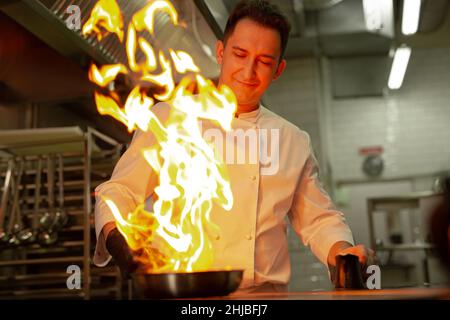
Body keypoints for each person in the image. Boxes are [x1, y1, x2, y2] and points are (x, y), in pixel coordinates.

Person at [94, 0, 375, 293]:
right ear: (220, 52)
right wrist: (119, 241)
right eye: (240, 54)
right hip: (184, 296)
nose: (249, 70)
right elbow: (119, 191)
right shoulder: (170, 119)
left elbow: (319, 220)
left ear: (278, 69)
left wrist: (343, 251)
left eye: (264, 61)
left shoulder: (291, 139)